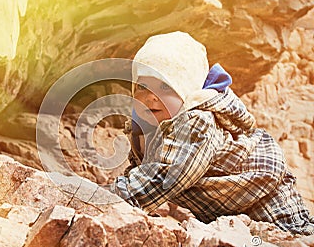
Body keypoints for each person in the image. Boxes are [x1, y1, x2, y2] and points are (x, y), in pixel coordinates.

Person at [111, 31, 314, 235]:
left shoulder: (198, 122)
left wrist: (113, 196)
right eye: (142, 86)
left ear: (187, 90)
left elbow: (164, 177)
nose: (149, 97)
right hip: (229, 218)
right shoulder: (145, 128)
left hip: (271, 211)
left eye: (165, 86)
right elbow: (139, 170)